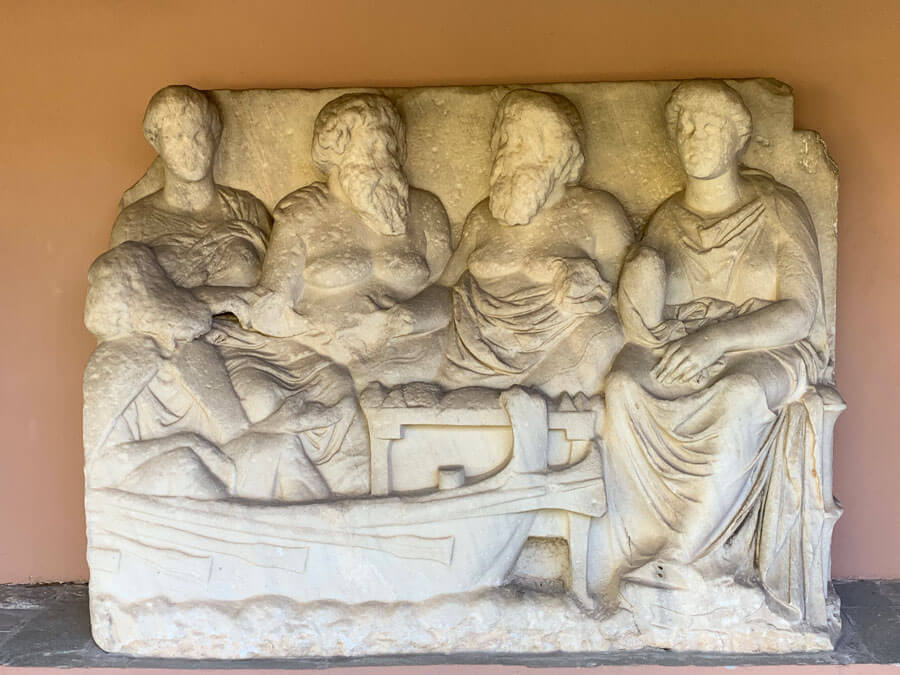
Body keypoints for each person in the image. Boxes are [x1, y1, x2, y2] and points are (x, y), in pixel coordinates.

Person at [588, 80, 829, 618]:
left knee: (740, 393)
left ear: (737, 138)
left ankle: (694, 556)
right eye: (686, 127)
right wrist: (640, 300)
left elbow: (799, 311)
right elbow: (641, 322)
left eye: (710, 126)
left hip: (766, 346)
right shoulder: (669, 219)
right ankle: (639, 548)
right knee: (625, 386)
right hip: (682, 345)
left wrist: (716, 339)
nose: (695, 137)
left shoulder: (776, 208)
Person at [107, 85, 369, 496]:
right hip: (194, 348)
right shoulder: (137, 222)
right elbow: (138, 305)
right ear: (157, 143)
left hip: (262, 340)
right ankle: (283, 514)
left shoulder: (245, 209)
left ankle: (356, 516)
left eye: (199, 134)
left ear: (215, 137)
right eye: (177, 137)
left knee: (337, 387)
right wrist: (222, 299)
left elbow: (279, 286)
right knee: (263, 398)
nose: (191, 148)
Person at [83, 242, 332, 502]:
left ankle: (325, 527)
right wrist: (187, 442)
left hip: (217, 466)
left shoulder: (192, 353)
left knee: (283, 446)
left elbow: (237, 434)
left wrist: (281, 423)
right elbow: (101, 467)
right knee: (184, 465)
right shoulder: (114, 362)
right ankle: (241, 530)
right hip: (160, 480)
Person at [235, 93, 453, 386]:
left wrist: (405, 317)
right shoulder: (302, 214)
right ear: (336, 149)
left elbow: (453, 292)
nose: (386, 157)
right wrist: (327, 328)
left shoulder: (425, 210)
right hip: (321, 361)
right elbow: (271, 304)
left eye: (391, 146)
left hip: (413, 359)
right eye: (374, 145)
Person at [436, 89, 633, 397]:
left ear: (558, 151)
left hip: (559, 349)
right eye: (503, 139)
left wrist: (585, 286)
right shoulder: (482, 217)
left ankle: (531, 397)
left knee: (604, 333)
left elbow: (625, 298)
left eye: (521, 141)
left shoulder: (597, 213)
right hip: (471, 347)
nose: (506, 153)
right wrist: (402, 319)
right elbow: (445, 291)